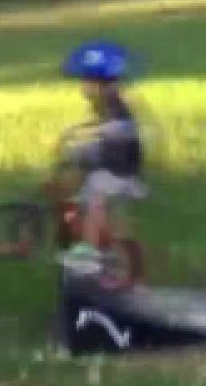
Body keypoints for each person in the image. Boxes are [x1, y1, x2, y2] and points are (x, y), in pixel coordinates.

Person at [60, 41, 146, 261]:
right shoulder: (102, 105)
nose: (83, 87)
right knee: (82, 196)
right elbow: (101, 127)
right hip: (110, 166)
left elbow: (121, 128)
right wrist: (80, 131)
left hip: (119, 171)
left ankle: (88, 252)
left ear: (103, 86)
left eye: (87, 82)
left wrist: (93, 133)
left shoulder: (116, 105)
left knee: (95, 202)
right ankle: (104, 242)